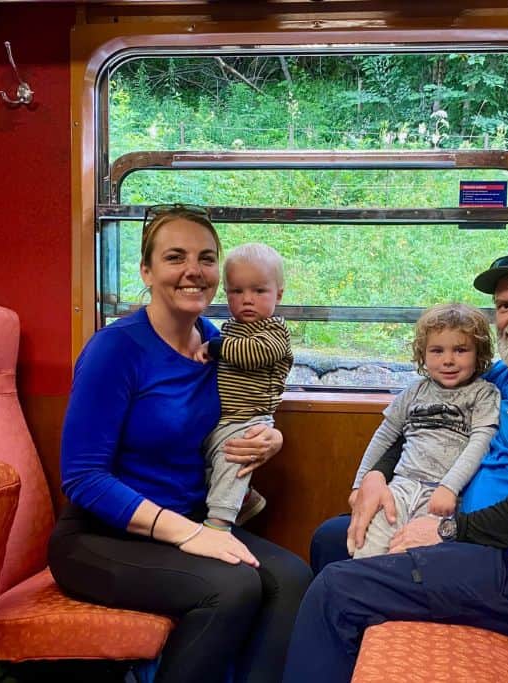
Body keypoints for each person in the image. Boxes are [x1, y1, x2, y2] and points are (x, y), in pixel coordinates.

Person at [283, 245, 508, 683]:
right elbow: (429, 415)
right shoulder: (506, 375)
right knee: (331, 538)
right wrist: (377, 475)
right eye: (505, 306)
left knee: (335, 589)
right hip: (477, 539)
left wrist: (446, 531)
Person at [48, 205, 312, 683]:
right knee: (231, 587)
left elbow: (242, 408)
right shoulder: (116, 349)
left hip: (191, 519)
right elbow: (83, 478)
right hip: (100, 537)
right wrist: (191, 534)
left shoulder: (217, 342)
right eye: (175, 257)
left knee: (292, 579)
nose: (194, 270)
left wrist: (270, 436)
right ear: (147, 271)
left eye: (206, 258)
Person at [349, 303, 499, 559]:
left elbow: (481, 442)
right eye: (437, 351)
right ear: (423, 354)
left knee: (414, 558)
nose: (448, 360)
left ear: (479, 353)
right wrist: (360, 484)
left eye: (461, 350)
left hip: (441, 495)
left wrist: (449, 487)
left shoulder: (484, 394)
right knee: (365, 551)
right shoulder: (414, 391)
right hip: (400, 487)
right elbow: (385, 435)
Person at [193, 242, 293, 527]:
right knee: (209, 464)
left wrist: (215, 348)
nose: (247, 299)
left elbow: (252, 354)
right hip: (224, 418)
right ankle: (246, 498)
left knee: (231, 461)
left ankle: (220, 522)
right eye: (237, 291)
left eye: (259, 291)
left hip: (249, 419)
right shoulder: (230, 329)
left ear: (279, 294)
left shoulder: (275, 332)